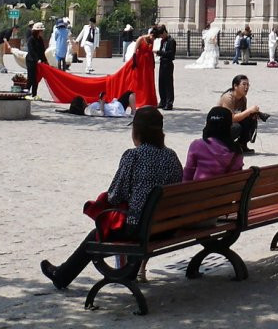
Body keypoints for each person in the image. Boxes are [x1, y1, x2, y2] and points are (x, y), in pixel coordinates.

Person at [40, 106, 182, 290]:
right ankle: (127, 270)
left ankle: (62, 275)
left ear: (137, 131)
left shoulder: (134, 156)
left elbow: (115, 195)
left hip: (140, 229)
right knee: (131, 217)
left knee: (96, 235)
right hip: (166, 226)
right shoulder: (171, 156)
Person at [182, 107, 245, 181]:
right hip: (229, 191)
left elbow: (187, 177)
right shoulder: (237, 151)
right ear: (229, 126)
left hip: (201, 191)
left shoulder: (197, 145)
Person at [219, 74, 266, 154]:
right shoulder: (228, 98)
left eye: (248, 85)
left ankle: (242, 145)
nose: (246, 87)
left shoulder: (243, 99)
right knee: (236, 127)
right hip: (218, 127)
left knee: (251, 120)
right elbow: (231, 118)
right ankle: (223, 146)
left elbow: (244, 116)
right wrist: (249, 111)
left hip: (230, 124)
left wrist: (253, 115)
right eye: (244, 84)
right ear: (235, 86)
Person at [155, 25, 176, 111]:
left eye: (161, 35)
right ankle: (162, 101)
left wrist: (160, 52)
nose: (160, 37)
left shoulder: (172, 41)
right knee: (161, 83)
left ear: (164, 32)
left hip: (168, 63)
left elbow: (171, 54)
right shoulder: (162, 41)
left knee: (168, 84)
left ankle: (169, 102)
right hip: (162, 63)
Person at [26, 22, 48, 99]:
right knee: (31, 77)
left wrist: (45, 60)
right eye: (41, 30)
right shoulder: (31, 39)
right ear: (37, 31)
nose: (42, 32)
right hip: (31, 60)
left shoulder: (40, 39)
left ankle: (34, 94)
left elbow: (42, 51)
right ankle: (26, 92)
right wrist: (36, 59)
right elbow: (31, 51)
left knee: (36, 78)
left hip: (38, 61)